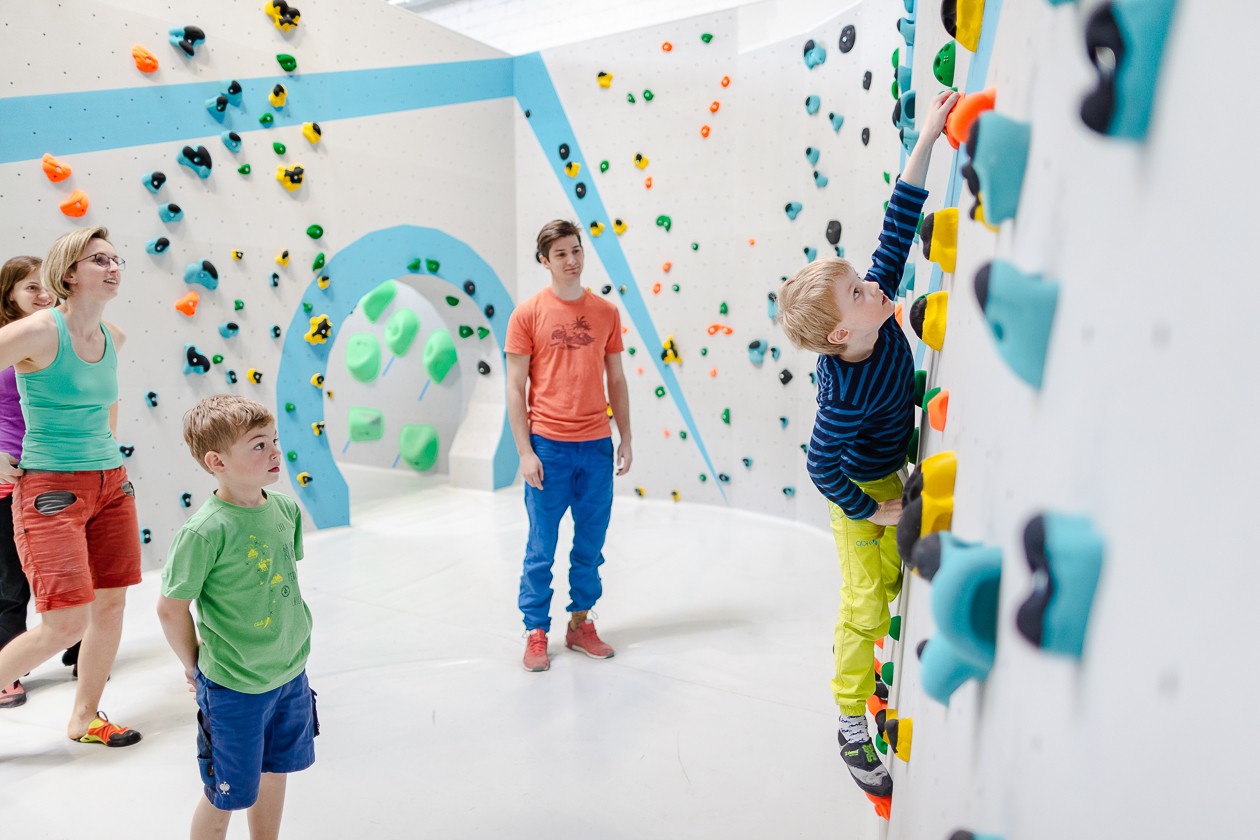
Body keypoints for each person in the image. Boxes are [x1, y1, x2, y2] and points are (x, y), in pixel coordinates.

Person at [776, 90, 960, 801]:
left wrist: (926, 143)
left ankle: (873, 669)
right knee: (863, 602)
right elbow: (821, 465)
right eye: (858, 293)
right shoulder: (841, 396)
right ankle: (850, 720)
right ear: (839, 337)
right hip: (860, 496)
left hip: (893, 472)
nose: (875, 286)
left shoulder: (875, 313)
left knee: (889, 588)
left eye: (859, 280)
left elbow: (897, 223)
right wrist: (874, 511)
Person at [0, 227, 141, 746]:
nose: (112, 267)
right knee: (64, 623)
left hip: (111, 485)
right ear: (67, 274)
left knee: (110, 606)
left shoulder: (113, 337)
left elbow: (109, 406)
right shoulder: (38, 331)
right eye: (98, 259)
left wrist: (107, 456)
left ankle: (85, 718)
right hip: (50, 489)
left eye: (115, 257)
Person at [157, 395, 316, 840]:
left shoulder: (284, 509)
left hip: (289, 675)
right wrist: (194, 667)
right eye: (258, 445)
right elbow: (170, 608)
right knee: (227, 792)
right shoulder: (204, 531)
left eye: (274, 441)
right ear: (217, 461)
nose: (274, 453)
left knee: (275, 771)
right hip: (233, 687)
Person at [506, 220, 632, 672]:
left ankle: (580, 624)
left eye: (576, 250)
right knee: (542, 547)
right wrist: (525, 451)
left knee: (590, 545)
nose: (572, 259)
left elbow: (615, 378)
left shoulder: (606, 313)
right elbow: (515, 386)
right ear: (545, 260)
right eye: (560, 253)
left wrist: (626, 438)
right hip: (549, 449)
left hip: (596, 446)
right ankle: (536, 630)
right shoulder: (527, 314)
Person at [0, 256, 56, 708]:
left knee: (65, 567)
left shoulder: (58, 335)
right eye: (29, 287)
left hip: (54, 469)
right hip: (8, 473)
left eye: (46, 285)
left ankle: (76, 644)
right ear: (9, 295)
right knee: (10, 578)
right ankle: (6, 668)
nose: (41, 293)